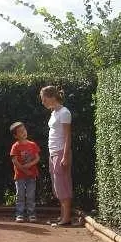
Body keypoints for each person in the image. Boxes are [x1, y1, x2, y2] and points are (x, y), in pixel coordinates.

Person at [40, 85, 73, 226]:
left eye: (44, 99)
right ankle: (62, 217)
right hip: (53, 153)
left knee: (63, 185)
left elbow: (67, 137)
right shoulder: (54, 112)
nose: (43, 102)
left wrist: (65, 156)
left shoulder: (65, 112)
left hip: (60, 153)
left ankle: (66, 218)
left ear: (52, 97)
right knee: (57, 186)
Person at [9, 121, 40, 223]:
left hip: (32, 175)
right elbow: (15, 161)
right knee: (20, 195)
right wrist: (24, 170)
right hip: (20, 176)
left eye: (24, 130)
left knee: (31, 195)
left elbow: (37, 158)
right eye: (20, 132)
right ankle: (19, 214)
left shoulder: (33, 144)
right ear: (15, 135)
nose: (24, 132)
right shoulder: (15, 146)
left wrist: (29, 166)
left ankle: (31, 214)